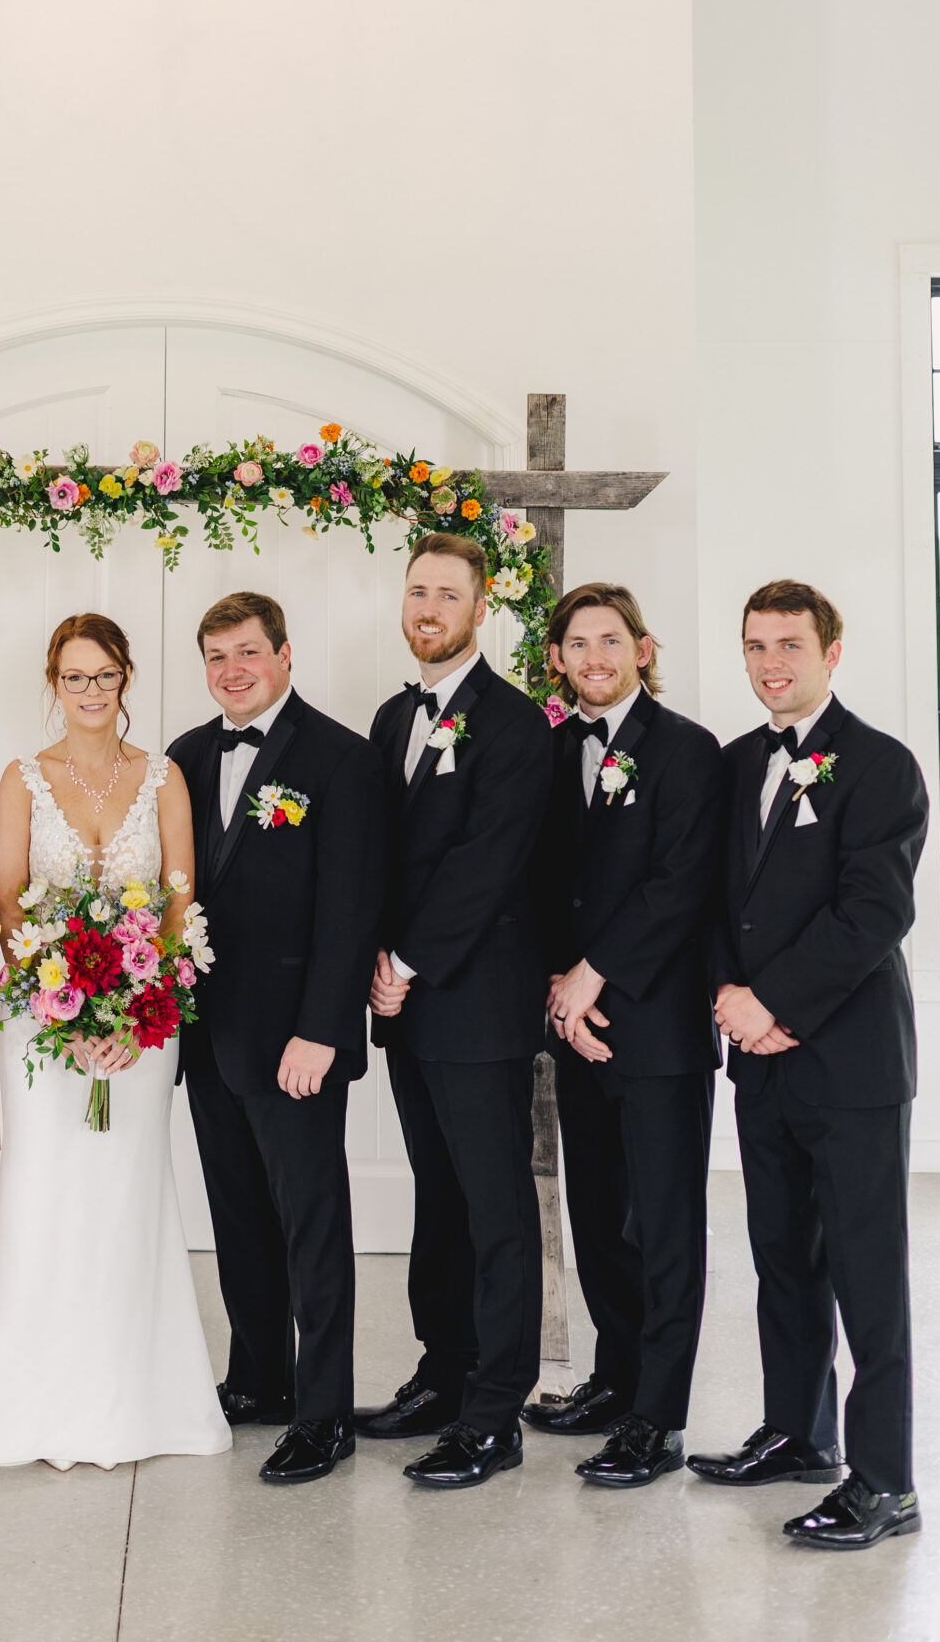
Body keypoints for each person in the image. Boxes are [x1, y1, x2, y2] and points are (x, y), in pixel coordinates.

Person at [687, 579, 928, 1551]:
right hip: (762, 1061)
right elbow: (710, 903)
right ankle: (797, 1432)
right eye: (754, 646)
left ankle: (886, 1480)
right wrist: (729, 1003)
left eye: (789, 644)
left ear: (833, 649)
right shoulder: (735, 760)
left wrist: (773, 1001)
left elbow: (875, 911)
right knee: (782, 1260)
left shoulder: (881, 766)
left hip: (853, 1063)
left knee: (869, 1276)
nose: (770, 663)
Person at [0, 614, 228, 1471]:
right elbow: (6, 896)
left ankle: (142, 1403)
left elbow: (179, 900)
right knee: (48, 1193)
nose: (89, 691)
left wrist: (140, 1007)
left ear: (125, 679)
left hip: (144, 1026)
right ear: (53, 683)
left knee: (128, 1197)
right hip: (43, 1025)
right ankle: (26, 1406)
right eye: (73, 678)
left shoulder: (164, 779)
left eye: (103, 675)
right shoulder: (22, 780)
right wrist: (63, 1008)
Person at [168, 591, 382, 1488]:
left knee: (312, 1225)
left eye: (247, 652)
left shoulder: (340, 759)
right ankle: (257, 1377)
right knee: (237, 1220)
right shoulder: (182, 756)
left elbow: (352, 910)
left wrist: (320, 1032)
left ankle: (324, 1411)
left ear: (285, 655)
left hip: (295, 1039)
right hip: (207, 1034)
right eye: (216, 656)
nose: (232, 671)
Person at [522, 582, 724, 1487]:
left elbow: (680, 883)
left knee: (666, 1222)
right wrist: (558, 995)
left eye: (610, 641)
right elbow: (533, 883)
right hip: (576, 1023)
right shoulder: (550, 748)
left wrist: (594, 976)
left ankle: (659, 1418)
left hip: (656, 1025)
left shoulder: (687, 751)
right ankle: (614, 1378)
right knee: (597, 1214)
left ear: (642, 649)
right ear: (557, 658)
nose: (593, 657)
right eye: (577, 643)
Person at [365, 532, 552, 1490]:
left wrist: (407, 959)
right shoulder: (393, 717)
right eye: (415, 592)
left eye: (445, 593)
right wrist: (372, 962)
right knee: (435, 1198)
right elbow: (378, 856)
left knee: (494, 1205)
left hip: (475, 1003)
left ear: (481, 608)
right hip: (404, 1005)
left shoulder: (515, 725)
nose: (427, 607)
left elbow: (488, 865)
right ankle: (441, 1371)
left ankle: (494, 1411)